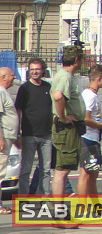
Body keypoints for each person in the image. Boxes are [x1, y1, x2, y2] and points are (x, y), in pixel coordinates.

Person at [50, 48, 85, 200]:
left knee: (63, 169)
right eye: (82, 59)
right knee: (63, 169)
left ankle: (59, 205)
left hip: (68, 128)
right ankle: (59, 207)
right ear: (77, 60)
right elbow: (58, 96)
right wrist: (63, 117)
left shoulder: (64, 75)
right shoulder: (65, 76)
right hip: (66, 129)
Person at [16, 58, 52, 195]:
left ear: (43, 71)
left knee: (46, 170)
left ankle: (45, 198)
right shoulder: (24, 88)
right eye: (32, 69)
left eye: (37, 69)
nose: (35, 72)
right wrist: (18, 134)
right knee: (26, 170)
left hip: (47, 135)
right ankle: (23, 198)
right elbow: (18, 111)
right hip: (29, 135)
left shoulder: (48, 87)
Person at [78, 65, 102, 198]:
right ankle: (82, 207)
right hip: (88, 139)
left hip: (92, 139)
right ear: (98, 79)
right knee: (86, 174)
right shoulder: (90, 96)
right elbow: (85, 119)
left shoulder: (90, 95)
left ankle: (96, 206)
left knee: (93, 174)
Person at [0, 67, 18, 215]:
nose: (14, 78)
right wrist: (0, 138)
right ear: (3, 77)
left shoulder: (4, 92)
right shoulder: (0, 92)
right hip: (3, 138)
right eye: (12, 75)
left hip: (7, 137)